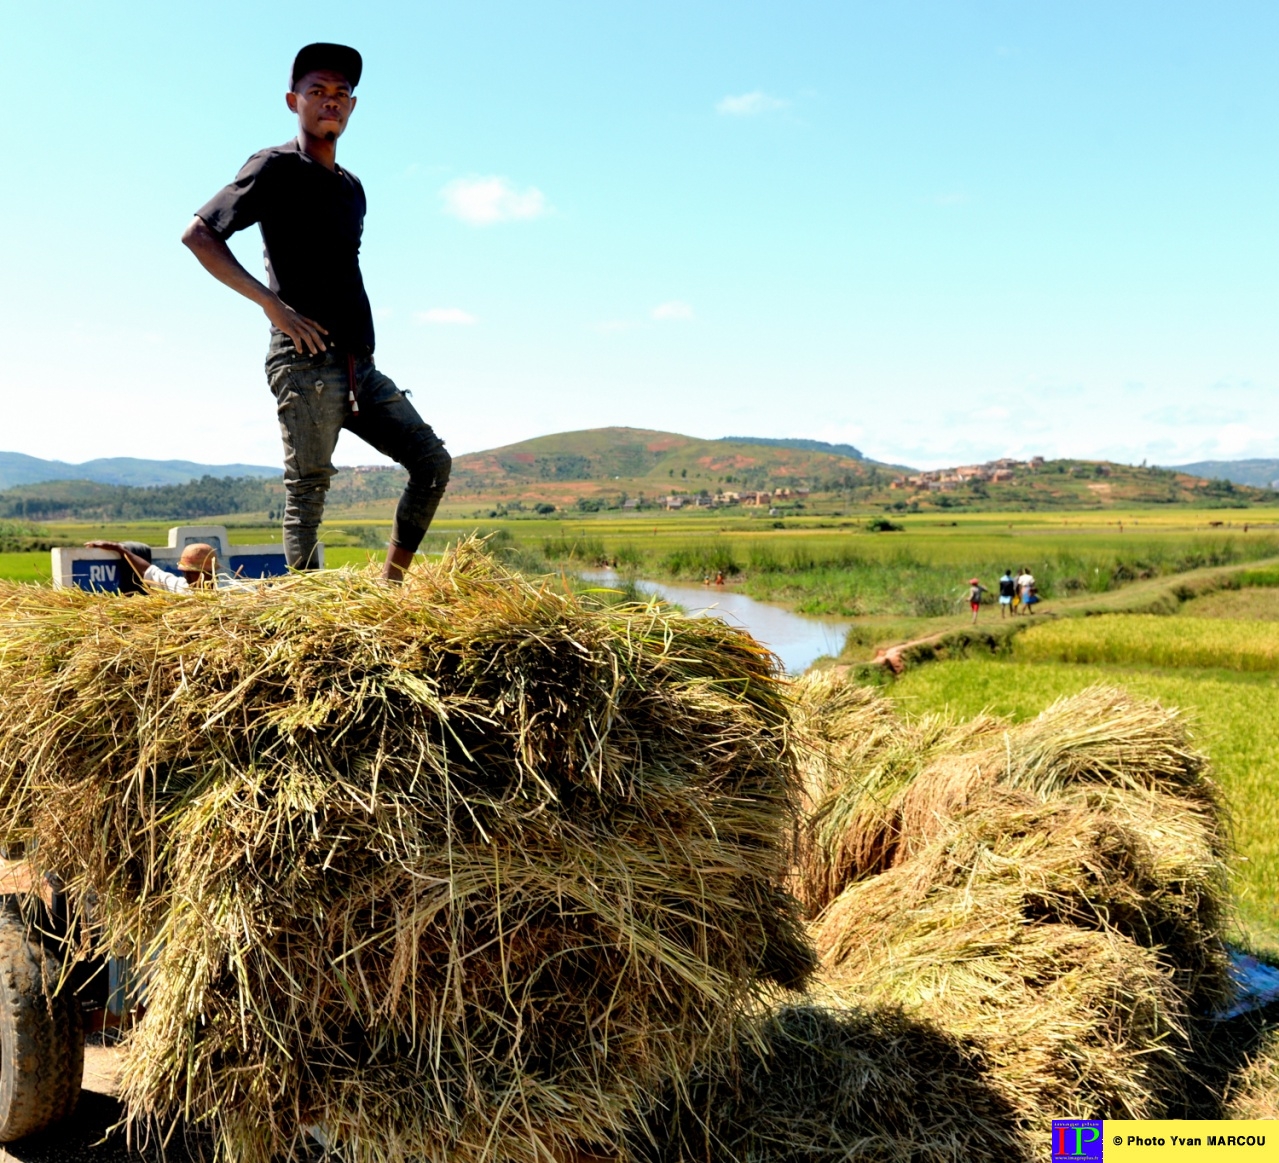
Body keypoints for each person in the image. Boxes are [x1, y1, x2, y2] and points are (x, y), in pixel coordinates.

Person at [180, 43, 451, 583]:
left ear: (352, 106)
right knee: (308, 490)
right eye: (317, 91)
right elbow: (199, 235)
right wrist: (273, 306)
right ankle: (310, 612)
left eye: (341, 94)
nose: (331, 101)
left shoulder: (352, 189)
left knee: (431, 462)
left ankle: (391, 587)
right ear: (293, 101)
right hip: (304, 360)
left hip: (357, 364)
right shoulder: (274, 166)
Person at [86, 541, 219, 593]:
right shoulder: (181, 587)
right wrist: (121, 550)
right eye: (184, 572)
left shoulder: (230, 591)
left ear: (210, 571)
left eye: (192, 572)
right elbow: (150, 571)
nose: (187, 577)